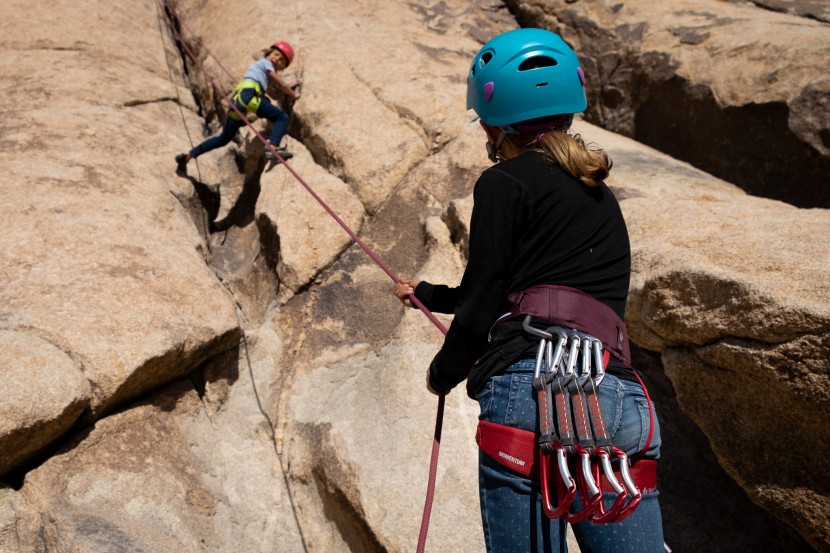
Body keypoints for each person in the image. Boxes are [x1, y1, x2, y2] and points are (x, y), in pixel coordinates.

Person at [394, 28, 666, 553]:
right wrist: (430, 293)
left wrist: (442, 373)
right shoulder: (599, 196)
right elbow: (540, 291)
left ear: (495, 125)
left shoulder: (504, 182)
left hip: (533, 391)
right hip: (617, 395)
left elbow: (484, 302)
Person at [176, 40, 301, 174]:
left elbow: (275, 95)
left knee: (223, 138)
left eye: (282, 60)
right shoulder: (265, 63)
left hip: (237, 101)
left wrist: (286, 89)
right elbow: (280, 83)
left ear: (283, 66)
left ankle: (187, 156)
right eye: (276, 54)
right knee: (281, 117)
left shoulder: (262, 75)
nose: (277, 59)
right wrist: (292, 93)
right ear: (270, 52)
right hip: (248, 97)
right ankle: (272, 147)